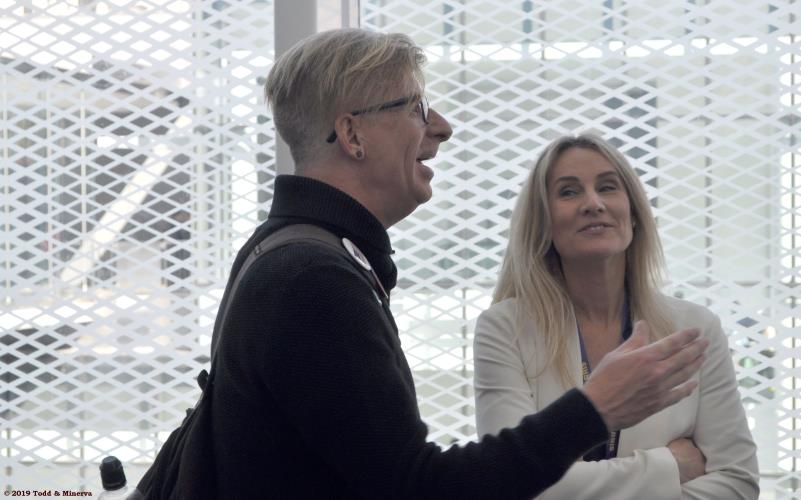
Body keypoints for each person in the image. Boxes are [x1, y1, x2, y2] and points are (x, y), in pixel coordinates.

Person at [210, 29, 707, 499]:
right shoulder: (312, 278)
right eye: (416, 108)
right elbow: (419, 488)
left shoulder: (289, 253)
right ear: (352, 134)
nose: (442, 128)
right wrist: (595, 410)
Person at [474, 134, 759, 499]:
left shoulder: (695, 329)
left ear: (634, 213)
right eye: (568, 192)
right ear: (543, 222)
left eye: (607, 187)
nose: (593, 204)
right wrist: (669, 467)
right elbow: (511, 483)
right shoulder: (504, 328)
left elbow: (737, 482)